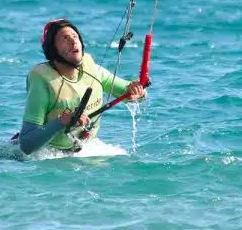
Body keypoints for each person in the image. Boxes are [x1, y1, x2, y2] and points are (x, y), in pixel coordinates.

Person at [16, 18, 145, 154]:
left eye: (75, 36)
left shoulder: (93, 71)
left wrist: (138, 92)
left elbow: (129, 92)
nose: (73, 41)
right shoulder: (42, 80)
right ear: (52, 48)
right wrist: (61, 122)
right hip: (47, 154)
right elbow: (26, 145)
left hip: (85, 150)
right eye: (65, 38)